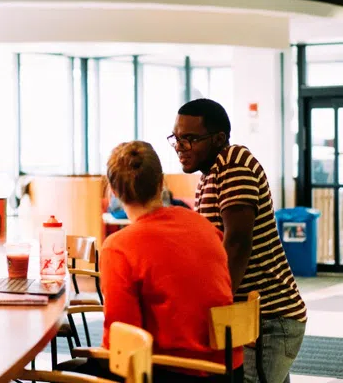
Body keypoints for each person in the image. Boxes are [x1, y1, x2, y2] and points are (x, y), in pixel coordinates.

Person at [73, 141, 242, 382]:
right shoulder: (205, 228)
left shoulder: (119, 247)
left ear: (113, 190)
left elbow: (122, 342)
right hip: (227, 371)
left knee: (69, 373)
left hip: (171, 371)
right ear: (161, 182)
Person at [171, 99, 306, 383]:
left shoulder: (234, 165)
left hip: (266, 317)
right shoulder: (211, 173)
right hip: (251, 315)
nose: (181, 147)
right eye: (177, 138)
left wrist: (213, 304)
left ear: (219, 138)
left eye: (190, 139)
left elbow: (237, 243)